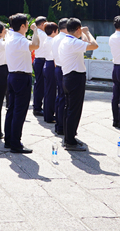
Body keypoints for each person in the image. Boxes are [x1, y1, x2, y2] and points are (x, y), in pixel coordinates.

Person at [59, 18, 98, 151]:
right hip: (75, 78)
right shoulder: (73, 42)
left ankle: (68, 137)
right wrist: (87, 32)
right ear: (78, 29)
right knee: (74, 110)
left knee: (68, 108)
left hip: (68, 77)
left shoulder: (66, 40)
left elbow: (85, 44)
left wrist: (83, 33)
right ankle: (70, 141)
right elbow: (94, 45)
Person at [5, 14, 40, 153]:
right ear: (22, 26)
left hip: (12, 75)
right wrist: (36, 30)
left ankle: (9, 140)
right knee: (19, 111)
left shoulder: (10, 38)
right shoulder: (20, 39)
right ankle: (15, 143)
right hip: (21, 77)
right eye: (26, 24)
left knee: (12, 109)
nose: (28, 27)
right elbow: (36, 45)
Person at [41, 22, 59, 125]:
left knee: (48, 91)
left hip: (47, 64)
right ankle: (49, 116)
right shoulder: (53, 41)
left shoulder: (47, 39)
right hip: (52, 64)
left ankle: (48, 114)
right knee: (51, 92)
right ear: (53, 31)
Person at [52, 18, 68, 136]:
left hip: (57, 67)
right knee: (64, 98)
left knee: (60, 96)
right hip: (64, 68)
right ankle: (62, 125)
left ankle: (59, 124)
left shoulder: (55, 38)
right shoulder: (66, 39)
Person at [32, 17, 47, 116]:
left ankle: (37, 106)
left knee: (38, 84)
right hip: (41, 60)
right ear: (42, 24)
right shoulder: (43, 34)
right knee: (40, 85)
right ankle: (37, 107)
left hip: (38, 60)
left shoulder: (37, 32)